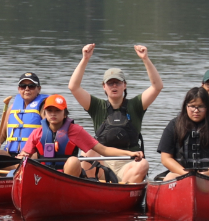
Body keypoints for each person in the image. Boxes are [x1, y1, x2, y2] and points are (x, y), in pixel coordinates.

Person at [67, 44, 161, 185]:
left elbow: (157, 86)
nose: (114, 86)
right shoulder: (97, 107)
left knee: (143, 164)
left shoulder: (136, 105)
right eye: (110, 83)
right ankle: (97, 184)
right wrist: (85, 58)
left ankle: (121, 187)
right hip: (103, 161)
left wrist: (145, 59)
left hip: (128, 164)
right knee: (87, 153)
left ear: (125, 85)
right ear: (104, 87)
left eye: (117, 82)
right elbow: (73, 87)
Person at [17, 94, 142, 179]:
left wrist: (129, 153)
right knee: (26, 162)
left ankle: (66, 193)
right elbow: (24, 154)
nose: (53, 114)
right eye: (50, 111)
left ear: (65, 113)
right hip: (42, 175)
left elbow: (103, 150)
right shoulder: (37, 133)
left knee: (73, 160)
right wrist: (22, 156)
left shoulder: (75, 131)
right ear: (44, 113)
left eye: (57, 111)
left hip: (68, 175)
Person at [156, 86, 209, 179]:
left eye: (201, 106)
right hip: (181, 173)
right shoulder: (174, 125)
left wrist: (207, 173)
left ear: (208, 107)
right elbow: (165, 158)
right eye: (192, 106)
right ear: (186, 106)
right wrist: (186, 174)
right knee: (169, 178)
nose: (196, 111)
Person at [0, 71, 46, 152]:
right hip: (11, 154)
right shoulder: (12, 108)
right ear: (19, 89)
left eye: (31, 86)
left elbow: (51, 131)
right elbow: (2, 133)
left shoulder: (43, 107)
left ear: (38, 89)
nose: (27, 89)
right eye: (23, 86)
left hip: (33, 154)